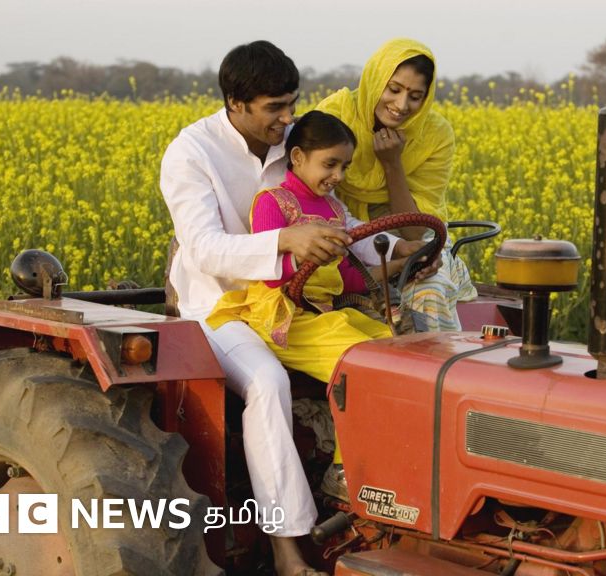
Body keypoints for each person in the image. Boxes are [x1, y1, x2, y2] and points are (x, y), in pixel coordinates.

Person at [160, 42, 434, 576]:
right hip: (221, 307)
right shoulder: (191, 153)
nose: (287, 120)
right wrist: (286, 241)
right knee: (267, 383)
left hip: (301, 306)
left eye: (292, 105)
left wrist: (402, 253)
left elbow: (339, 221)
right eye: (274, 109)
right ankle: (287, 547)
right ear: (236, 103)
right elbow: (205, 249)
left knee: (403, 351)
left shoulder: (296, 145)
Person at [206, 111, 417, 502]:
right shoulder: (274, 203)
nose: (338, 175)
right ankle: (343, 469)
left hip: (324, 314)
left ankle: (392, 455)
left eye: (345, 166)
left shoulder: (334, 210)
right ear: (298, 158)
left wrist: (403, 261)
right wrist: (305, 259)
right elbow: (270, 273)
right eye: (330, 164)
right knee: (358, 362)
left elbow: (350, 279)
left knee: (394, 345)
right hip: (287, 314)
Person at [316, 38, 477, 332]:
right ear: (376, 80)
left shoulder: (435, 134)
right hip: (347, 232)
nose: (402, 106)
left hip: (414, 235)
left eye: (415, 96)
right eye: (394, 90)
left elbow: (415, 229)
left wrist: (392, 164)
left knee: (427, 291)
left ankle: (438, 372)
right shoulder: (337, 114)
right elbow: (314, 195)